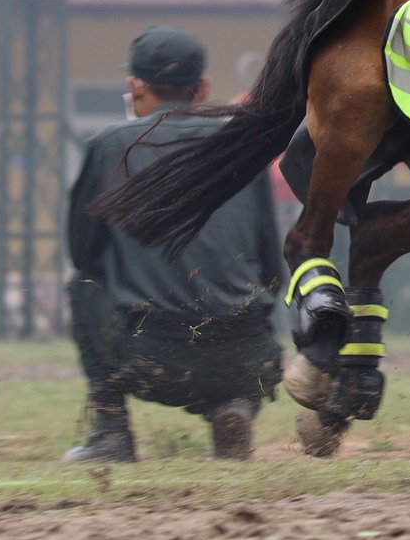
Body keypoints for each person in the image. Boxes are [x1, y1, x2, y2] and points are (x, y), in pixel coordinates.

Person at [64, 27, 284, 462]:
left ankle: (111, 433)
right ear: (201, 88)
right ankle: (235, 405)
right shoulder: (241, 146)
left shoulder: (109, 146)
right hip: (247, 358)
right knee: (248, 305)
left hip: (151, 358)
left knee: (82, 285)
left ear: (134, 86)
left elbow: (83, 253)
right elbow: (272, 265)